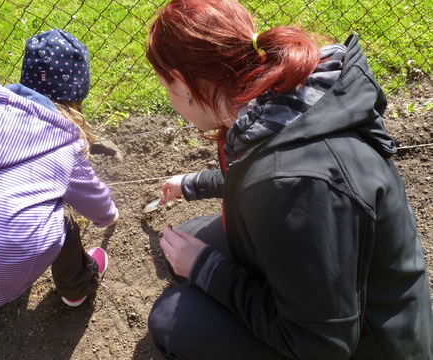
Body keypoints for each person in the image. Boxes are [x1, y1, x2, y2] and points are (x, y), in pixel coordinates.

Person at [145, 0, 433, 359]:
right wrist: (191, 184)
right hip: (334, 288)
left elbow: (321, 345)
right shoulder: (287, 99)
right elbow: (259, 170)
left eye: (165, 87)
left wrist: (206, 268)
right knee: (192, 236)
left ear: (184, 83)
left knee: (174, 316)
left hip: (367, 345)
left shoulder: (293, 186)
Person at [0, 29, 119, 316]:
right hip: (12, 256)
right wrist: (108, 216)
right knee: (65, 218)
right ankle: (76, 287)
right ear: (75, 97)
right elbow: (89, 194)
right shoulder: (65, 138)